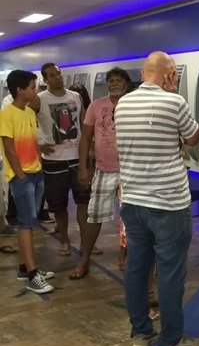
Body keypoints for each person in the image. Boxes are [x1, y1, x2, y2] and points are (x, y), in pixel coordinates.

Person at [114, 51, 199, 346]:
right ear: (169, 75)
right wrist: (174, 97)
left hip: (132, 202)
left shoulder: (123, 104)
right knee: (170, 273)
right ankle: (170, 342)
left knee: (137, 269)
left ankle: (141, 332)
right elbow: (194, 138)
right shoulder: (174, 101)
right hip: (169, 203)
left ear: (142, 74)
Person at [70, 68, 131, 279]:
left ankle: (124, 254)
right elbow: (86, 138)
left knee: (129, 218)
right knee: (94, 216)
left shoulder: (133, 104)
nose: (114, 83)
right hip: (104, 170)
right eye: (111, 80)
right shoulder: (96, 106)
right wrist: (83, 168)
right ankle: (84, 259)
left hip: (130, 171)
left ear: (126, 83)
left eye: (118, 80)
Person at [0, 70, 55, 293]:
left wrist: (40, 155)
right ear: (20, 90)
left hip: (36, 172)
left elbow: (28, 141)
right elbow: (9, 149)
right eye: (33, 87)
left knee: (30, 223)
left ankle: (25, 267)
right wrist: (21, 176)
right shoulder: (7, 114)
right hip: (22, 177)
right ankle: (33, 275)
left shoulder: (29, 113)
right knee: (26, 224)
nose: (36, 90)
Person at [30, 63, 90, 257]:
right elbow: (23, 123)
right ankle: (64, 239)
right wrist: (37, 145)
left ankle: (86, 241)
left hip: (76, 159)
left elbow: (85, 124)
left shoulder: (76, 97)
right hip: (53, 161)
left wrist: (89, 150)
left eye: (59, 74)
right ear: (45, 79)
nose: (58, 77)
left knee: (84, 201)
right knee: (59, 204)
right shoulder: (39, 100)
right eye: (52, 75)